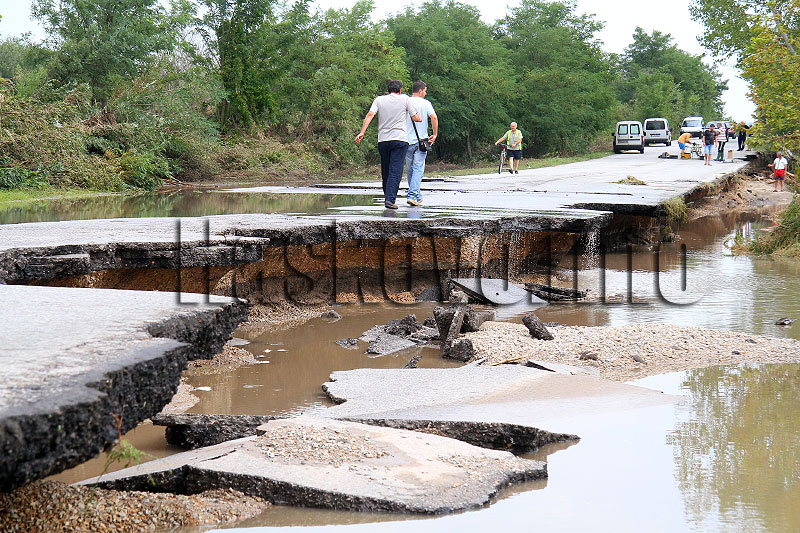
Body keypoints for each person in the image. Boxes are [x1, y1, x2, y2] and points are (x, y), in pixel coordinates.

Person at [355, 80, 422, 209]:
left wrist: (362, 132)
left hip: (383, 140)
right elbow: (416, 118)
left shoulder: (379, 100)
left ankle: (388, 196)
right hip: (399, 140)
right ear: (400, 90)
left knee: (386, 169)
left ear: (388, 90)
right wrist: (419, 117)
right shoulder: (405, 99)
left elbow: (370, 114)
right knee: (395, 170)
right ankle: (390, 200)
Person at [404, 81, 438, 207]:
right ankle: (412, 195)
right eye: (425, 90)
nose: (426, 92)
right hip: (421, 141)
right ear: (420, 91)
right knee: (418, 168)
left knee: (410, 169)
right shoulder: (426, 103)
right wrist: (434, 134)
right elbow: (434, 117)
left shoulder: (406, 102)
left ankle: (416, 195)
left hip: (406, 141)